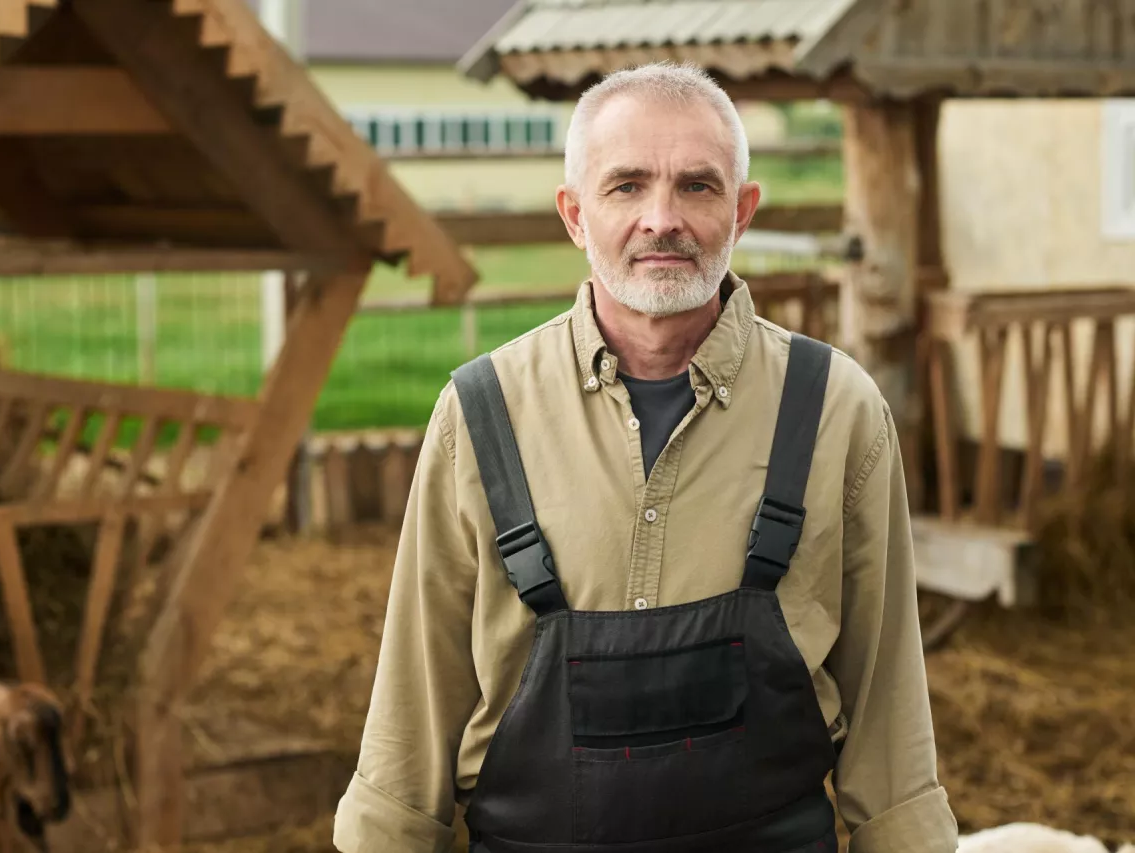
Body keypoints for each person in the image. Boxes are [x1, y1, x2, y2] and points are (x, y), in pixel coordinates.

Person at [333, 62, 958, 853]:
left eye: (697, 186)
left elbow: (889, 712)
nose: (662, 219)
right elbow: (411, 714)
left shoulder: (837, 409)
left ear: (742, 211)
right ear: (575, 214)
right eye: (626, 186)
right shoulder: (481, 415)